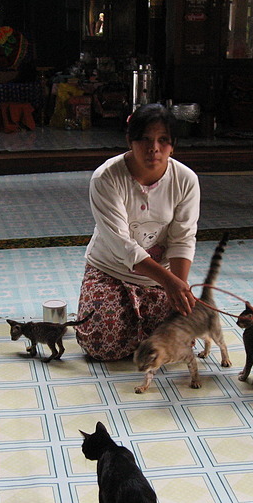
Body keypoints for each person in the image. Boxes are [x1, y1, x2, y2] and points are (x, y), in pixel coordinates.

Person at [75, 103, 201, 361]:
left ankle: (136, 325)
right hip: (109, 270)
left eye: (163, 140)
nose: (154, 148)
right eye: (144, 138)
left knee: (183, 338)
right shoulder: (106, 178)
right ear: (129, 141)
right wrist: (169, 283)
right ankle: (132, 324)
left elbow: (182, 238)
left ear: (173, 145)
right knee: (101, 344)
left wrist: (179, 290)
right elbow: (121, 244)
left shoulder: (186, 180)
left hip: (160, 278)